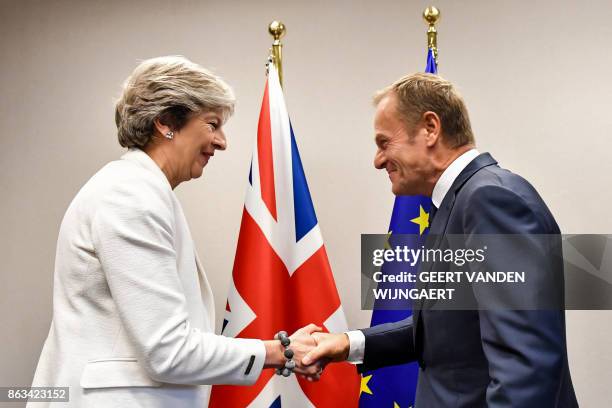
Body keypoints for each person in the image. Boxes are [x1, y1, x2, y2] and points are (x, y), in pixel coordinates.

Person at [28, 56, 320, 408]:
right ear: (166, 123)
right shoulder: (131, 195)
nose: (222, 141)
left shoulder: (142, 189)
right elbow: (166, 350)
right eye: (212, 124)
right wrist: (280, 352)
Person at [302, 73, 579, 407]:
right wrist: (348, 344)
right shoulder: (460, 202)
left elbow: (526, 367)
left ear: (430, 128)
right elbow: (446, 325)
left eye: (383, 142)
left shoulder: (490, 201)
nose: (377, 160)